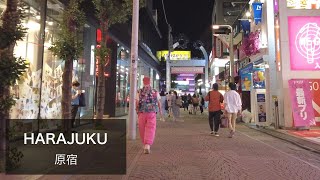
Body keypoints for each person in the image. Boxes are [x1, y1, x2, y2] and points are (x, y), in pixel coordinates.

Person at [136, 77, 162, 154]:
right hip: (152, 112)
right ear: (150, 82)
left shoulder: (139, 91)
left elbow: (137, 102)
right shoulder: (155, 91)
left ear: (143, 82)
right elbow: (159, 102)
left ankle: (145, 143)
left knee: (142, 128)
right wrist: (160, 112)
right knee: (151, 127)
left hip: (142, 112)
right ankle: (147, 144)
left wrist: (137, 110)